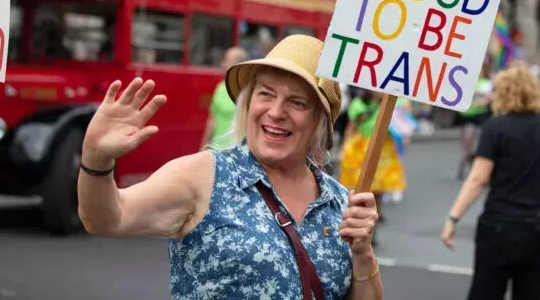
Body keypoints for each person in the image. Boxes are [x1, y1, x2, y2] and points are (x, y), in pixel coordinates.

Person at [78, 35, 383, 300]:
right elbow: (108, 218)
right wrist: (96, 159)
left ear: (319, 122)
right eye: (265, 94)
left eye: (297, 103)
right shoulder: (203, 176)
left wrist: (363, 254)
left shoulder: (341, 203)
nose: (276, 112)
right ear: (249, 103)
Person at [440, 65, 540, 300]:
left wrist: (453, 219)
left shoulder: (494, 129)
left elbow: (478, 179)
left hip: (498, 227)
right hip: (539, 230)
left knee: (485, 293)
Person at [338, 90, 406, 237]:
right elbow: (351, 127)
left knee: (379, 186)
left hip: (383, 148)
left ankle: (375, 215)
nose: (379, 92)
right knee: (363, 187)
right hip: (361, 149)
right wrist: (344, 148)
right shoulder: (358, 104)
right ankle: (361, 220)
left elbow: (403, 125)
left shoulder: (394, 104)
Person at [199, 47, 249, 149]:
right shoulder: (220, 87)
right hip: (217, 149)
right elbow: (212, 118)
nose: (223, 64)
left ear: (237, 64)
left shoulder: (249, 91)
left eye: (227, 60)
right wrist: (204, 145)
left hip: (237, 152)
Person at [456, 61, 493, 180]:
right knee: (467, 142)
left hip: (481, 116)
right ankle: (464, 161)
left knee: (478, 142)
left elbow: (487, 99)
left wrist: (476, 99)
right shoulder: (466, 81)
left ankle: (475, 166)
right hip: (467, 116)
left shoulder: (486, 83)